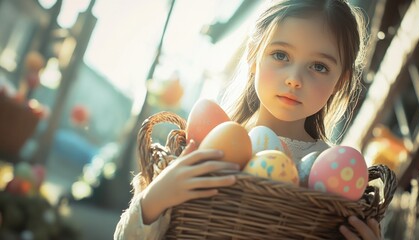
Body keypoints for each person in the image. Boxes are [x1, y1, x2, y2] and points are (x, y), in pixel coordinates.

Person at [114, 0, 382, 239]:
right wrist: (153, 201)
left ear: (340, 81)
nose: (294, 78)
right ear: (253, 56)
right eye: (280, 55)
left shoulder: (334, 173)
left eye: (319, 66)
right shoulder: (209, 142)